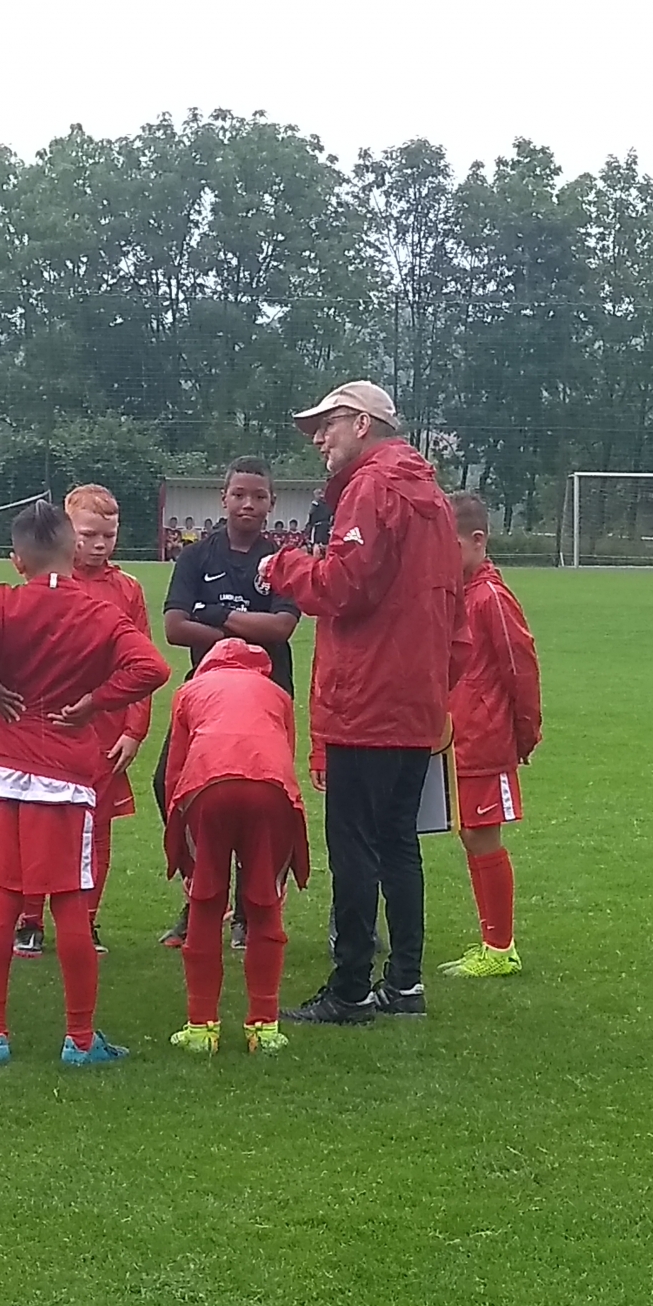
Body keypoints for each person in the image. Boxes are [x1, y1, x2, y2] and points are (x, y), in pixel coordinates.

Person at [0, 500, 171, 1066]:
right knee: (70, 906)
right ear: (71, 549)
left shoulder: (0, 601)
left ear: (18, 560)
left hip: (8, 777)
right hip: (66, 782)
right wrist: (95, 703)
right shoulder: (98, 612)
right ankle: (80, 1040)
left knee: (1, 904)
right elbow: (153, 669)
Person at [259, 381, 467, 1025]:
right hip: (414, 701)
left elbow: (345, 586)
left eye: (327, 424)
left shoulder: (372, 488)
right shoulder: (432, 498)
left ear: (361, 423)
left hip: (367, 700)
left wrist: (284, 568)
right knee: (399, 844)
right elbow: (451, 609)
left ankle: (349, 988)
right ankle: (404, 983)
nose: (318, 438)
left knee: (354, 849)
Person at [156, 457, 301, 948]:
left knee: (261, 795)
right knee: (169, 782)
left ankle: (247, 908)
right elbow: (174, 627)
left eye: (258, 496)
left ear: (271, 503)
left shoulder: (280, 561)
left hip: (267, 694)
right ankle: (201, 892)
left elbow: (282, 627)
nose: (248, 504)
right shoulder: (196, 557)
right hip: (207, 694)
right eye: (239, 494)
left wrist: (216, 616)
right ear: (224, 498)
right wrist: (241, 632)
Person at [12, 483, 151, 958]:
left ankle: (85, 920)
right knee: (39, 825)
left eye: (108, 536)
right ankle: (30, 919)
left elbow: (142, 663)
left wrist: (134, 730)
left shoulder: (127, 589)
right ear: (66, 531)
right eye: (89, 534)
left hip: (105, 731)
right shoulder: (43, 582)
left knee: (96, 829)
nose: (99, 545)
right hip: (48, 726)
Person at [161, 640, 309, 1055]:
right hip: (271, 789)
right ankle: (264, 1026)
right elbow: (284, 756)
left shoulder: (189, 692)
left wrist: (182, 847)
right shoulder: (277, 693)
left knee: (206, 904)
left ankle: (201, 1026)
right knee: (265, 906)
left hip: (207, 787)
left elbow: (174, 773)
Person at [438, 490, 543, 978]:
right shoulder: (459, 595)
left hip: (486, 738)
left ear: (477, 541)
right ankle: (493, 942)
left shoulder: (492, 598)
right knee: (470, 834)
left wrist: (524, 732)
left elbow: (520, 667)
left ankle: (500, 948)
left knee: (482, 835)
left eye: (450, 546)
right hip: (460, 740)